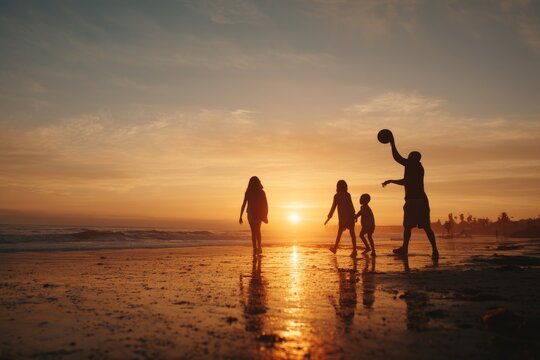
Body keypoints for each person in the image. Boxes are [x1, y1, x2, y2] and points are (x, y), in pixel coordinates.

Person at [382, 134, 439, 259]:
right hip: (420, 201)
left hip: (415, 201)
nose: (407, 158)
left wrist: (392, 142)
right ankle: (431, 250)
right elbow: (399, 161)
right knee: (419, 227)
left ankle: (412, 248)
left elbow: (398, 161)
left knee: (412, 227)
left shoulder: (413, 166)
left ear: (415, 159)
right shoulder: (417, 166)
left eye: (410, 156)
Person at [326, 180, 357, 258]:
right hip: (349, 216)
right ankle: (354, 250)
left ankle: (335, 248)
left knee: (339, 233)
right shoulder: (347, 195)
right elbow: (351, 205)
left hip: (343, 218)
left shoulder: (336, 196)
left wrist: (330, 215)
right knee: (352, 233)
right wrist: (354, 215)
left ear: (337, 187)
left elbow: (333, 207)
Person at [239, 176, 268, 256]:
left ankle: (255, 248)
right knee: (257, 231)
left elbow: (244, 204)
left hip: (252, 214)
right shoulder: (261, 192)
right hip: (257, 213)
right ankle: (258, 247)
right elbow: (265, 205)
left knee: (254, 232)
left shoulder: (249, 192)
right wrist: (265, 215)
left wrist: (240, 216)